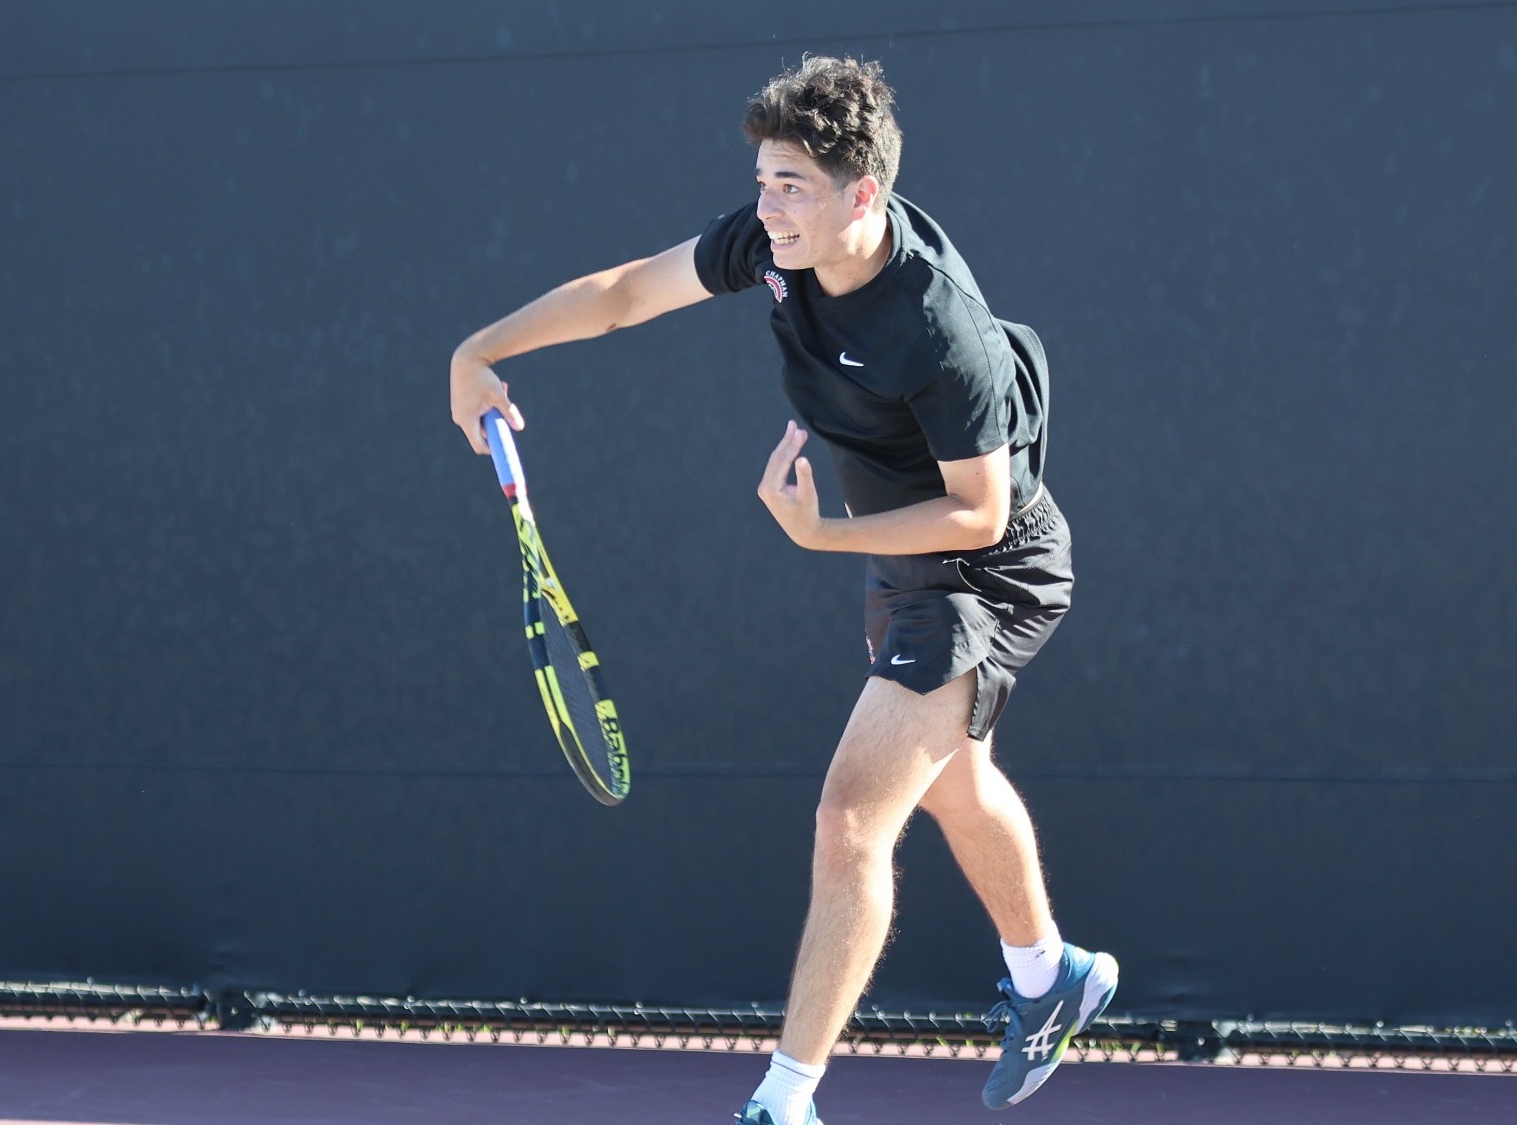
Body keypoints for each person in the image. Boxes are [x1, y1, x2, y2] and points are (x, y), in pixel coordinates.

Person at [448, 56, 1116, 1124]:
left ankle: (784, 1099)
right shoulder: (773, 248)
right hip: (902, 557)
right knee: (947, 782)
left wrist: (824, 536)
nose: (766, 207)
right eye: (762, 180)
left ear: (863, 195)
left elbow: (979, 515)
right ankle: (1051, 977)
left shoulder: (942, 334)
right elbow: (625, 294)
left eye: (791, 186)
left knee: (850, 817)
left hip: (988, 568)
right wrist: (479, 350)